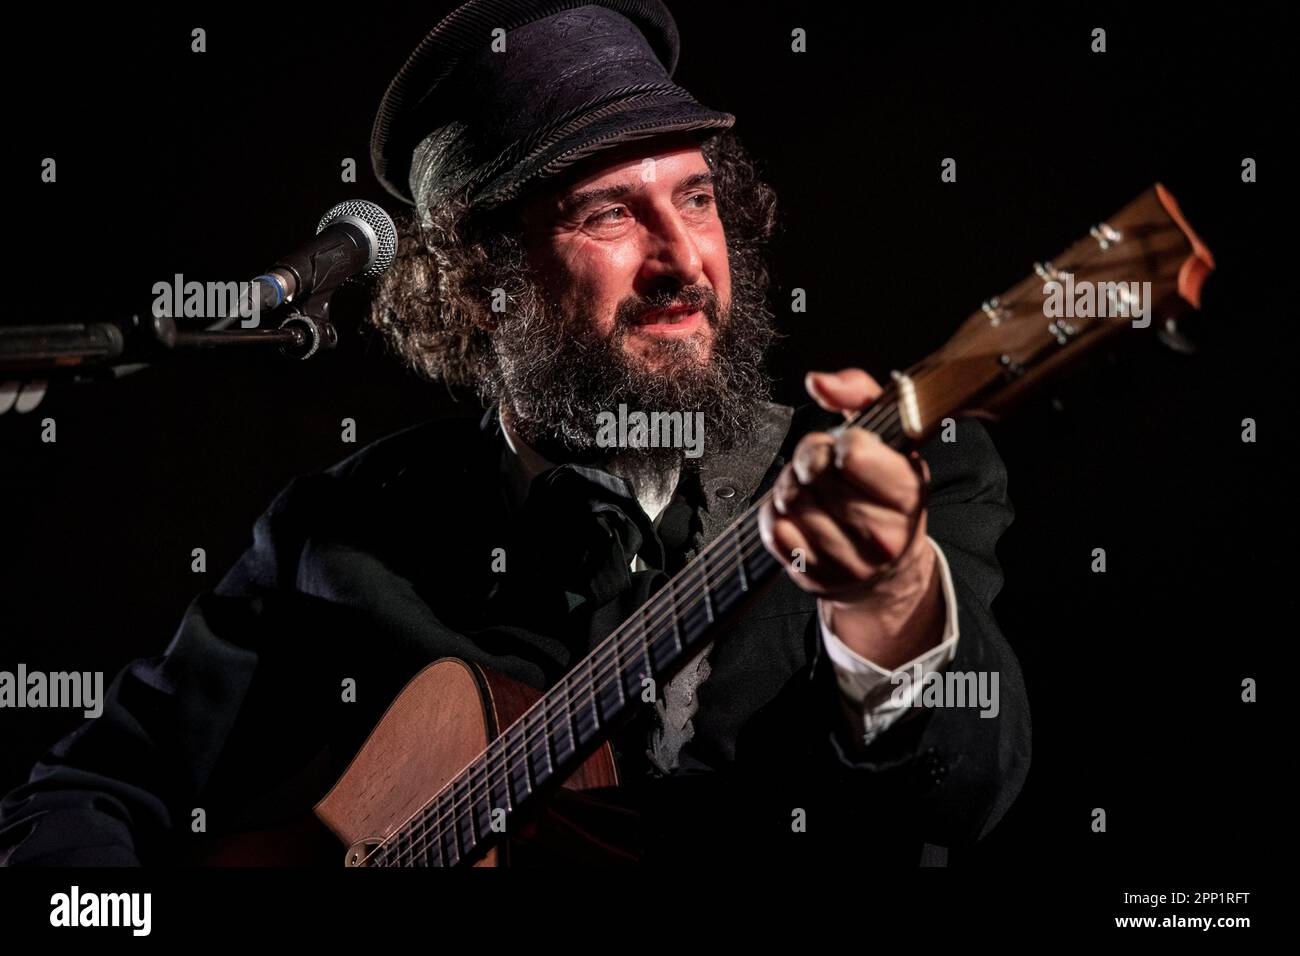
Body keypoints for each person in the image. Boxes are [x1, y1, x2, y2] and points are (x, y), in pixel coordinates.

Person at [0, 0, 1029, 866]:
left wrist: (892, 599)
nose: (682, 257)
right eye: (608, 216)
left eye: (698, 197)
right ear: (482, 282)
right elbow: (85, 792)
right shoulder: (340, 536)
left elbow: (963, 796)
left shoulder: (899, 469)